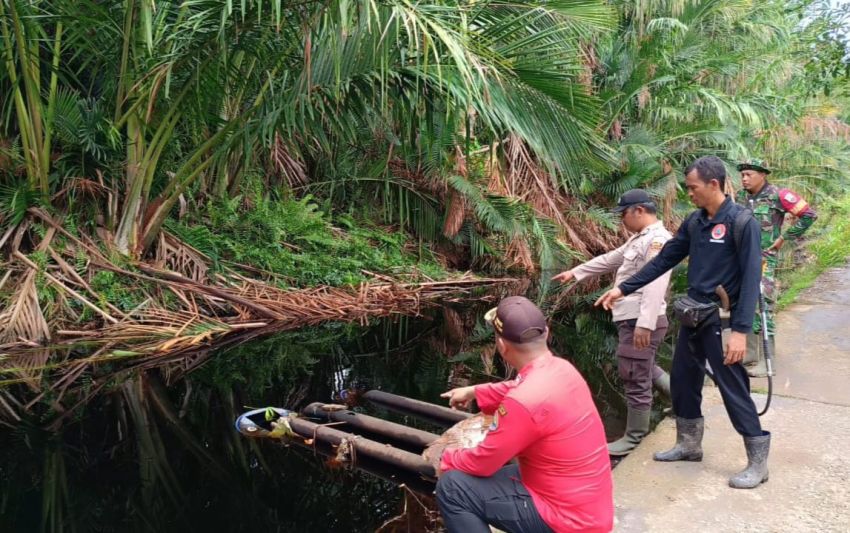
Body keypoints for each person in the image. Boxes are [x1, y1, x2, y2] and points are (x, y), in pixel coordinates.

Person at [596, 156, 770, 489]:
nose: (689, 194)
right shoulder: (695, 222)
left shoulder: (742, 223)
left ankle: (757, 462)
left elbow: (751, 281)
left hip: (722, 320)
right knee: (684, 381)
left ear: (713, 184)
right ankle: (689, 445)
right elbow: (664, 260)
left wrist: (741, 333)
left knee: (733, 389)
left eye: (693, 188)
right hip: (692, 315)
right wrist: (623, 288)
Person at [435, 296, 613, 533]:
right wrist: (475, 391)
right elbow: (519, 387)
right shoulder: (562, 369)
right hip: (589, 508)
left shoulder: (522, 404)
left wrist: (447, 458)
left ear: (502, 346)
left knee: (453, 487)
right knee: (505, 472)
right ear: (546, 333)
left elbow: (482, 463)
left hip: (567, 521)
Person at [552, 189, 673, 456]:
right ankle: (680, 400)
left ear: (639, 211)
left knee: (634, 375)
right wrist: (576, 272)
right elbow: (611, 259)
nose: (622, 221)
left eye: (624, 215)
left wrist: (645, 323)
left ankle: (634, 437)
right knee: (645, 366)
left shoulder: (658, 241)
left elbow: (656, 282)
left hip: (639, 318)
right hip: (631, 317)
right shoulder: (639, 239)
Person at [736, 159, 817, 376]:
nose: (744, 178)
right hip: (742, 258)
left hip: (764, 259)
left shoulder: (779, 195)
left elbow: (808, 215)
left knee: (763, 303)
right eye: (742, 175)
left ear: (763, 175)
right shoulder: (741, 197)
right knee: (744, 302)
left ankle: (767, 360)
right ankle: (750, 353)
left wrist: (784, 238)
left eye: (749, 174)